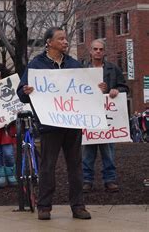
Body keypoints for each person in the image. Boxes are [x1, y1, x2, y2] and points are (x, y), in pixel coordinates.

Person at [17, 27, 93, 220]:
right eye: (61, 39)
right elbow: (21, 95)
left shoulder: (74, 65)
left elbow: (87, 91)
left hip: (73, 124)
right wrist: (25, 90)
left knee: (75, 166)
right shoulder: (36, 65)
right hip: (49, 125)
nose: (65, 42)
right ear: (49, 42)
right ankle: (44, 206)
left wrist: (97, 88)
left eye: (66, 39)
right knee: (47, 166)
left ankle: (78, 206)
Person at [82, 39, 129, 193]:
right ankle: (86, 180)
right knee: (88, 152)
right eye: (95, 49)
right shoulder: (83, 70)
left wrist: (115, 90)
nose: (98, 52)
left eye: (101, 49)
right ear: (90, 51)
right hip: (89, 117)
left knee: (108, 151)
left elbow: (123, 87)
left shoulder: (113, 69)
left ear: (105, 52)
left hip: (108, 118)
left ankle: (110, 179)